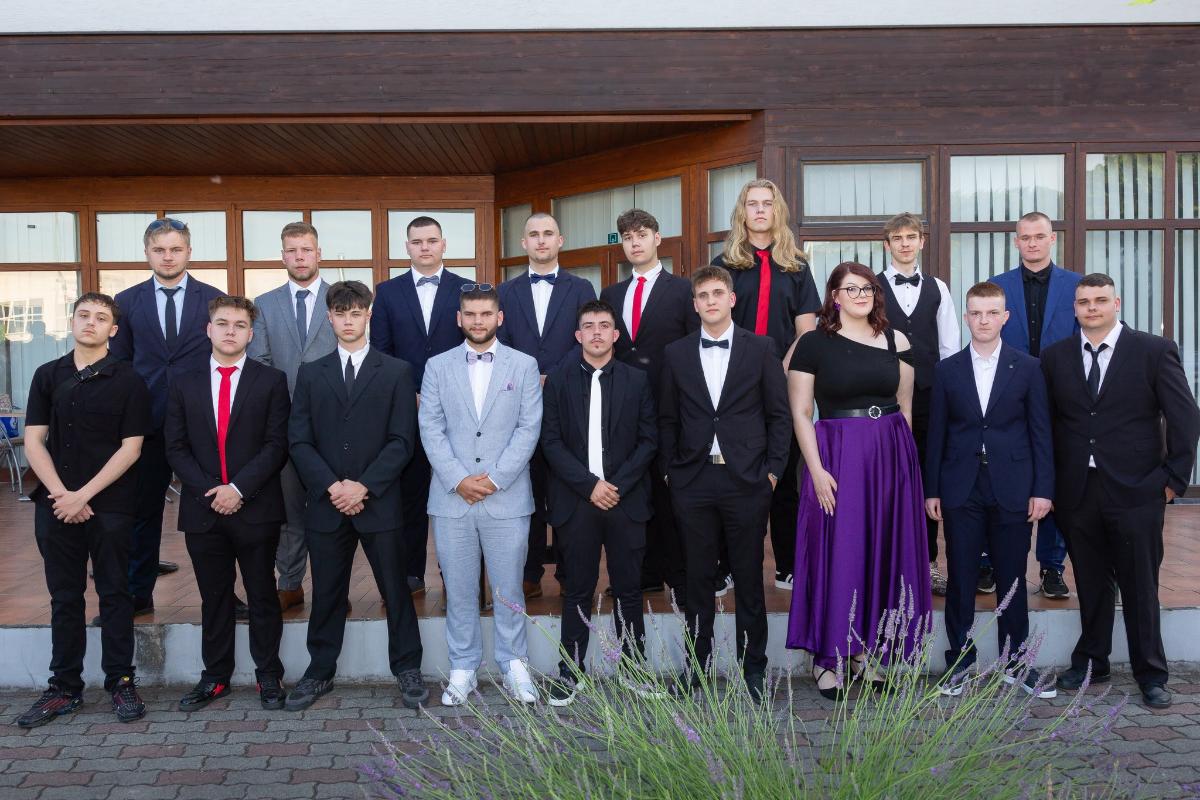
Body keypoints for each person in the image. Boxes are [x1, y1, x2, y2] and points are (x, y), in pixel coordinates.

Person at [1042, 273, 1200, 709]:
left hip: (1138, 490)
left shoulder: (1153, 350)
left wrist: (1173, 481)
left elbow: (1185, 416)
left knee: (1139, 585)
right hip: (1077, 490)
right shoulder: (1055, 357)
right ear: (1074, 309)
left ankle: (1151, 673)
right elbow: (1048, 424)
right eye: (1084, 302)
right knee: (1090, 581)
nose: (1091, 308)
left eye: (1100, 300)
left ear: (1117, 303)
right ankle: (1093, 661)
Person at [787, 262, 931, 700]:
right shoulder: (813, 343)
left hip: (889, 455)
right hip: (837, 456)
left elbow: (905, 406)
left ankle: (864, 653)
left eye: (867, 288)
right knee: (841, 552)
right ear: (834, 296)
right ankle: (827, 658)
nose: (861, 295)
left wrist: (904, 467)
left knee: (880, 552)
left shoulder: (896, 340)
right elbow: (801, 413)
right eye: (850, 289)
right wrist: (816, 471)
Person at [285, 281, 427, 711]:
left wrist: (363, 486)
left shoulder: (397, 371)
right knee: (327, 593)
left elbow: (403, 441)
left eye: (355, 313)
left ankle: (408, 667)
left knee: (396, 591)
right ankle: (319, 671)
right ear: (329, 318)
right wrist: (333, 487)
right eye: (340, 314)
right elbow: (299, 441)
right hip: (327, 503)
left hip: (378, 501)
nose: (348, 321)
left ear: (368, 315)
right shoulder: (312, 373)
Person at [18, 293, 151, 727]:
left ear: (114, 329)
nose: (91, 322)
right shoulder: (47, 374)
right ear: (72, 321)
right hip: (56, 505)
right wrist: (62, 494)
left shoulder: (129, 380)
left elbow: (131, 448)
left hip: (111, 505)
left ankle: (121, 682)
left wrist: (84, 495)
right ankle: (64, 687)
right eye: (84, 315)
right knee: (64, 597)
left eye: (101, 318)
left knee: (115, 593)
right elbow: (34, 441)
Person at [659, 265, 790, 701]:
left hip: (747, 481)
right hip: (693, 480)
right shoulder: (676, 353)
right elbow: (667, 418)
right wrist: (671, 472)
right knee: (697, 579)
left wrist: (772, 471)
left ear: (731, 299)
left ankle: (753, 670)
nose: (711, 301)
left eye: (718, 293)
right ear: (695, 304)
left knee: (749, 578)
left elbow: (778, 415)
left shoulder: (761, 348)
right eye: (703, 295)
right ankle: (696, 667)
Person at [924, 282, 1055, 698]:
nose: (984, 320)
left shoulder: (1028, 367)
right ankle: (959, 663)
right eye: (976, 313)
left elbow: (1040, 432)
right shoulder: (947, 370)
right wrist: (932, 489)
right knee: (961, 577)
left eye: (992, 312)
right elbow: (937, 434)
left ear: (1005, 317)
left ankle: (1015, 662)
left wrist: (1043, 489)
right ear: (966, 318)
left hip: (1013, 487)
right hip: (961, 487)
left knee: (1012, 577)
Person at [165, 296, 291, 711]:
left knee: (262, 593)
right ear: (209, 329)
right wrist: (213, 491)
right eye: (222, 323)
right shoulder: (183, 381)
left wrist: (237, 489)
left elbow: (276, 445)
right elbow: (175, 446)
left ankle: (268, 674)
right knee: (214, 596)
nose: (230, 331)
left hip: (255, 507)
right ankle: (215, 677)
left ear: (251, 334)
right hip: (203, 510)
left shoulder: (270, 381)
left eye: (239, 325)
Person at [420, 284, 543, 706]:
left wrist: (495, 479)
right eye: (470, 314)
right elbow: (430, 427)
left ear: (499, 318)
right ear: (459, 319)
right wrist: (459, 479)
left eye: (485, 313)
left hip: (506, 498)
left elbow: (529, 427)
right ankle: (463, 667)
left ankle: (514, 665)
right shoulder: (436, 366)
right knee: (459, 590)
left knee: (510, 589)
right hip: (452, 499)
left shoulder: (524, 365)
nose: (478, 321)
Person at [540, 300, 658, 706]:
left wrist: (614, 486)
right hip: (577, 501)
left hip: (625, 500)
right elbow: (550, 441)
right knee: (577, 589)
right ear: (578, 335)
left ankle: (634, 669)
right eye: (588, 326)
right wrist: (590, 486)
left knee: (628, 589)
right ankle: (570, 671)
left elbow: (649, 440)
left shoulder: (637, 380)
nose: (596, 332)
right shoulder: (558, 381)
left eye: (604, 325)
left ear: (616, 334)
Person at [110, 218, 225, 617]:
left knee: (216, 510)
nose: (168, 257)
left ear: (189, 252)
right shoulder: (126, 302)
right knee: (142, 513)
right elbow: (120, 365)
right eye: (159, 250)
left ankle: (225, 598)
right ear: (147, 253)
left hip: (203, 424)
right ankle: (137, 595)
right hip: (146, 424)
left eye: (176, 249)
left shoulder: (214, 300)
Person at [711, 178, 819, 593]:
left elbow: (806, 330)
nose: (760, 210)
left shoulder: (797, 266)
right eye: (752, 203)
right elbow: (715, 322)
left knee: (784, 475)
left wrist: (776, 368)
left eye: (767, 204)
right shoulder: (725, 264)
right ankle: (729, 565)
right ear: (743, 211)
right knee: (733, 474)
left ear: (778, 211)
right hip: (732, 383)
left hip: (785, 380)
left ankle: (786, 565)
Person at [599, 208, 699, 601]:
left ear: (658, 239)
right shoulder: (611, 295)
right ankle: (643, 573)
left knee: (670, 491)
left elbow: (692, 349)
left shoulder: (683, 290)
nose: (634, 242)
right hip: (625, 409)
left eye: (641, 235)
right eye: (627, 237)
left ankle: (679, 574)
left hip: (671, 406)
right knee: (632, 492)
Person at [497, 212, 597, 598]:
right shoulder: (505, 292)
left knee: (568, 487)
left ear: (560, 240)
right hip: (517, 404)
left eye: (548, 233)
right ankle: (530, 571)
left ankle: (571, 572)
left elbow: (586, 336)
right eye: (534, 234)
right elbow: (501, 341)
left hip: (568, 401)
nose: (541, 240)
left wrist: (552, 376)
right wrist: (528, 376)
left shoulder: (582, 287)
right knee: (527, 488)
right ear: (523, 243)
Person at [371, 215, 470, 594]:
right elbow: (381, 351)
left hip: (458, 410)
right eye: (417, 241)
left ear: (443, 244)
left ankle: (455, 575)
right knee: (410, 495)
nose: (424, 247)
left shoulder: (465, 289)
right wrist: (405, 393)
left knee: (456, 492)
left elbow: (474, 343)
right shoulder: (387, 292)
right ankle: (411, 573)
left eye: (431, 240)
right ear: (407, 247)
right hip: (406, 409)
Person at [986, 211, 1082, 600]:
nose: (1032, 243)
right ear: (1016, 242)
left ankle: (1051, 566)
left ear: (1052, 238)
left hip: (1059, 395)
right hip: (1008, 393)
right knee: (999, 471)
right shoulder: (998, 285)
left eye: (1039, 236)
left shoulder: (1076, 285)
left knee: (1053, 475)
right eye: (1025, 237)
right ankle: (989, 560)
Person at [249, 221, 338, 613]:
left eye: (306, 249)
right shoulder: (264, 304)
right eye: (291, 250)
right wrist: (288, 414)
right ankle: (289, 583)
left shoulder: (340, 299)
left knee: (332, 510)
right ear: (282, 255)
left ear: (319, 253)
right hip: (284, 426)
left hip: (334, 426)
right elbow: (261, 362)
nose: (299, 257)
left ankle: (333, 590)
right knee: (288, 511)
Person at [877, 212, 960, 597]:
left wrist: (950, 399)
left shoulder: (938, 288)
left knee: (927, 480)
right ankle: (886, 565)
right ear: (887, 244)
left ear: (922, 242)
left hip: (928, 398)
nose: (905, 243)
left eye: (911, 236)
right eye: (898, 238)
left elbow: (949, 348)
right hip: (882, 399)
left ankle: (927, 564)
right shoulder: (872, 288)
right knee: (887, 481)